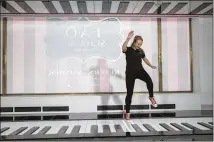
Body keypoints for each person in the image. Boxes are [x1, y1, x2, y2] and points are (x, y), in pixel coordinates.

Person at [122, 31, 158, 120]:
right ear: (134, 42)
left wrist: (151, 66)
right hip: (130, 73)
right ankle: (127, 112)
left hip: (140, 71)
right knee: (129, 94)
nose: (139, 46)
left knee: (149, 81)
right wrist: (127, 39)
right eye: (138, 44)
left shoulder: (141, 51)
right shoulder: (129, 50)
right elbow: (123, 48)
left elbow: (145, 59)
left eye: (141, 44)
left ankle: (151, 97)